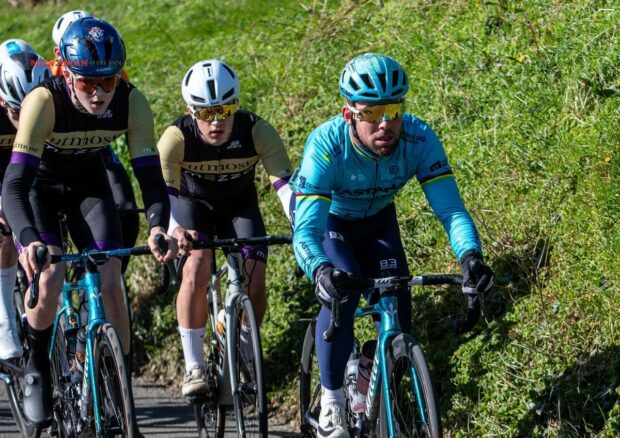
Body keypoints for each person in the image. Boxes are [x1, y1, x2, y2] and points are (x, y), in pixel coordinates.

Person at [290, 53, 494, 438]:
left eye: (394, 110)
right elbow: (306, 231)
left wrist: (471, 257)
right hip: (331, 222)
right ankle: (332, 402)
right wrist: (319, 269)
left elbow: (451, 210)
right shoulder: (326, 145)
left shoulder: (418, 138)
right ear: (349, 114)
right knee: (342, 293)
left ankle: (372, 366)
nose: (385, 124)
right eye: (371, 114)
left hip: (379, 220)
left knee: (399, 312)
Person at [1, 17, 176, 426]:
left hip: (87, 186)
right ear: (65, 71)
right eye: (86, 83)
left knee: (111, 274)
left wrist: (155, 225)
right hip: (38, 188)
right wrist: (27, 242)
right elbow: (13, 184)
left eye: (108, 82)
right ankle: (38, 364)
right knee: (48, 278)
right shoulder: (44, 101)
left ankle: (121, 389)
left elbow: (150, 176)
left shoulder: (132, 102)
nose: (98, 95)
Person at [157, 59, 293, 397]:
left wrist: (302, 223)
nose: (216, 121)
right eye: (205, 114)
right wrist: (175, 232)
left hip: (238, 206)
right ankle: (194, 366)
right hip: (192, 208)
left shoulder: (256, 130)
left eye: (224, 110)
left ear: (236, 104)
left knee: (255, 276)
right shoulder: (176, 138)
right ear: (191, 111)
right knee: (197, 268)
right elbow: (164, 195)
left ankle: (244, 354)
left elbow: (288, 189)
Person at [51, 10, 138, 274]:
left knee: (126, 210)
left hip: (95, 150)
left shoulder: (110, 67)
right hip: (55, 158)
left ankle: (110, 281)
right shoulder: (49, 78)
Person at [0, 39, 50, 360]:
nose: (24, 117)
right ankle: (4, 315)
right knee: (4, 231)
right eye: (16, 111)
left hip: (32, 172)